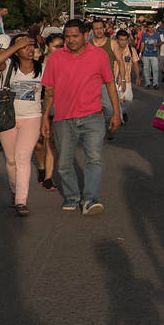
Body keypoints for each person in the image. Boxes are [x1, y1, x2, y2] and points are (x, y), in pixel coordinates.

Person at [41, 20, 121, 215]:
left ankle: (90, 199)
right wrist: (45, 117)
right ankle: (72, 195)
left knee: (94, 158)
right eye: (67, 36)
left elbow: (110, 84)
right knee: (64, 163)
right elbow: (49, 91)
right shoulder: (55, 58)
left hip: (93, 116)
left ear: (86, 35)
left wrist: (116, 113)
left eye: (75, 36)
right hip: (63, 118)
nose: (71, 40)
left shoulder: (99, 55)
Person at [0, 34, 45, 216]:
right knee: (11, 159)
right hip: (8, 118)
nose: (29, 49)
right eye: (24, 46)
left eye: (31, 45)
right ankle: (14, 191)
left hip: (32, 117)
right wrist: (14, 47)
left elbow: (50, 91)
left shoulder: (42, 68)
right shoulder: (9, 68)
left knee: (22, 158)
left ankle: (21, 200)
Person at [34, 33, 65, 191]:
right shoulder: (38, 64)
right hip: (37, 106)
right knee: (39, 143)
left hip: (56, 107)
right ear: (47, 47)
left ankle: (48, 177)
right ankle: (41, 167)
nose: (60, 49)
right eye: (56, 46)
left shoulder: (65, 63)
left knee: (51, 141)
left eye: (62, 46)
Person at [112, 30, 140, 124]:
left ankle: (123, 111)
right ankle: (119, 119)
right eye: (121, 39)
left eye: (125, 40)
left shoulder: (131, 50)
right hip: (113, 79)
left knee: (128, 99)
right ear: (117, 40)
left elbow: (135, 63)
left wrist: (138, 77)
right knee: (116, 99)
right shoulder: (112, 50)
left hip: (126, 79)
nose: (123, 42)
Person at [139, 22, 164, 88]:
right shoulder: (144, 35)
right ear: (147, 28)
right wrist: (140, 53)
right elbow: (142, 44)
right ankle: (147, 83)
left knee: (155, 69)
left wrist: (157, 44)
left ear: (154, 28)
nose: (151, 29)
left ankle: (155, 83)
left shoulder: (157, 35)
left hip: (154, 54)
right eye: (149, 27)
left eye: (152, 27)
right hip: (145, 54)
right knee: (146, 69)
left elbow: (160, 43)